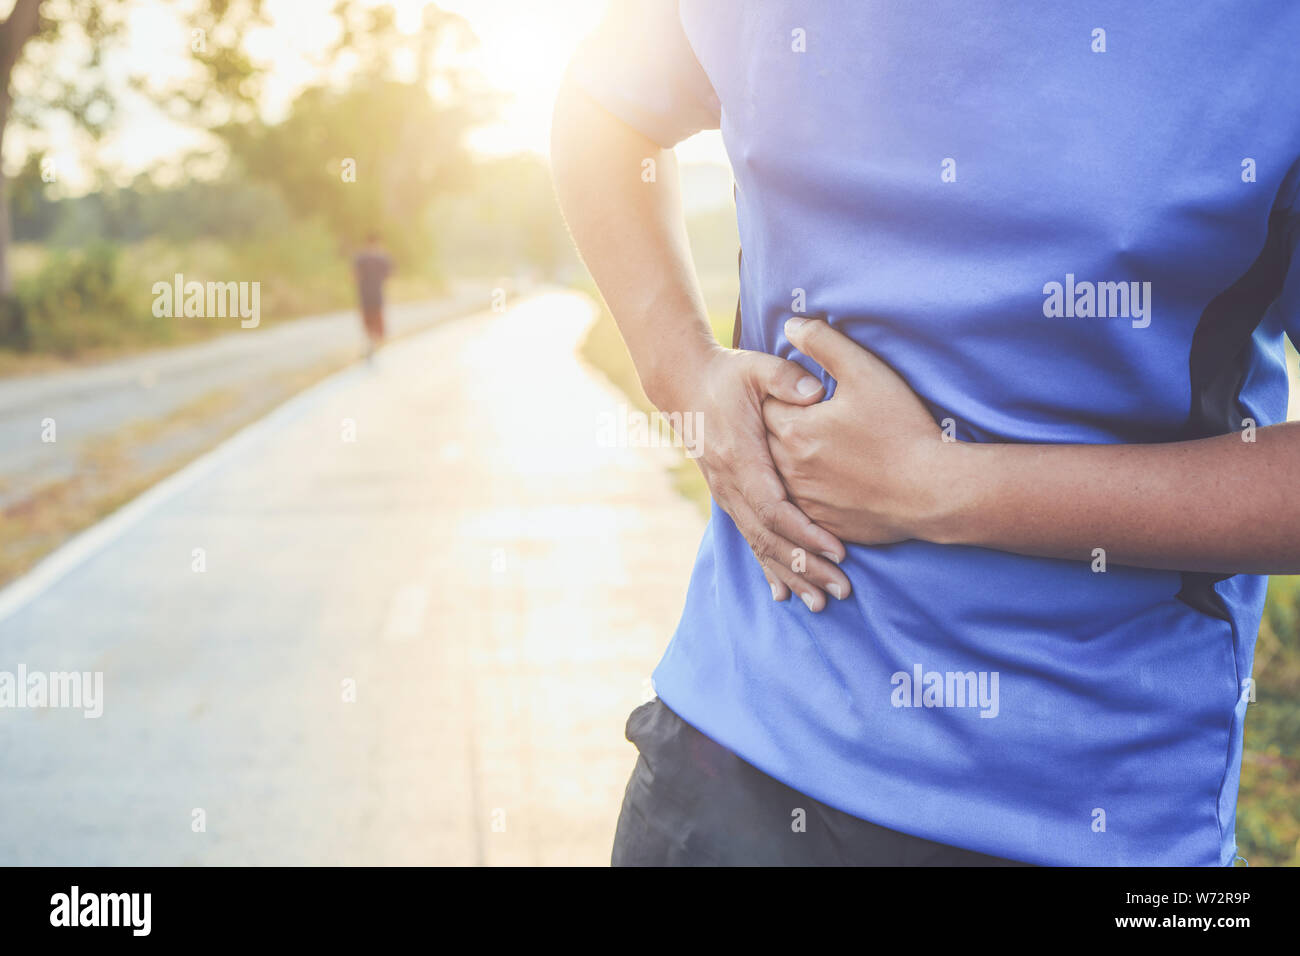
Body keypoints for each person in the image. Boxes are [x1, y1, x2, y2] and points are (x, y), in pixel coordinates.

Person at [551, 0, 1300, 866]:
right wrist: (683, 373)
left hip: (1081, 815)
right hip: (726, 760)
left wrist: (937, 487)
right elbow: (600, 103)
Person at [353, 231, 392, 359]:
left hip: (364, 296)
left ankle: (369, 346)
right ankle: (372, 346)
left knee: (368, 323)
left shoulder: (360, 257)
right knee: (378, 326)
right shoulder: (382, 258)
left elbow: (354, 276)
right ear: (377, 242)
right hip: (377, 295)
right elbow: (388, 276)